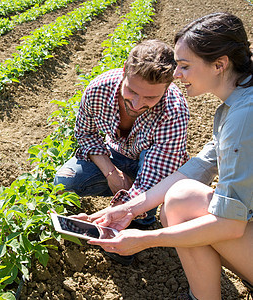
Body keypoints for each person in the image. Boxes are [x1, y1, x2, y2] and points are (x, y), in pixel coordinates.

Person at [76, 12, 253, 300]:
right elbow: (200, 166)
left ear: (220, 64)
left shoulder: (244, 116)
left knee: (181, 202)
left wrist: (145, 239)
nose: (177, 75)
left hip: (240, 228)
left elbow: (230, 224)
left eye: (184, 66)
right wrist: (127, 210)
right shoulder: (237, 105)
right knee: (180, 199)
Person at [54, 40, 190, 253]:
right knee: (65, 181)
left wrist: (112, 213)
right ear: (125, 71)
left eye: (150, 97)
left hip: (152, 168)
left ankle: (142, 221)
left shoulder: (173, 111)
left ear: (169, 84)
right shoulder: (99, 89)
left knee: (150, 187)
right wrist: (111, 172)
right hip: (116, 154)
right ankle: (127, 210)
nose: (136, 104)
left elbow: (154, 178)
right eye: (132, 91)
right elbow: (85, 133)